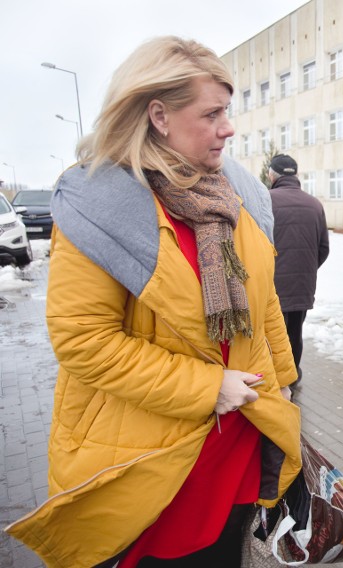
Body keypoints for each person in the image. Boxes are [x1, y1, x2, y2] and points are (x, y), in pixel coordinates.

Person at [4, 37, 302, 567]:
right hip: (155, 469)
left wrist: (284, 403)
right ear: (159, 115)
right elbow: (85, 342)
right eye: (211, 114)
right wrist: (209, 386)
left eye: (226, 111)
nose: (228, 127)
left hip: (235, 452)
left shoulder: (232, 196)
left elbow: (266, 310)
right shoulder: (99, 206)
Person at [268, 154, 329, 385]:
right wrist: (306, 269)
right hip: (302, 286)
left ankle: (272, 380)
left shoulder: (264, 200)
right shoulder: (314, 204)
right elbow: (323, 248)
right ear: (296, 175)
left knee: (271, 335)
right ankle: (292, 377)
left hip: (270, 286)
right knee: (294, 333)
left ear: (271, 175)